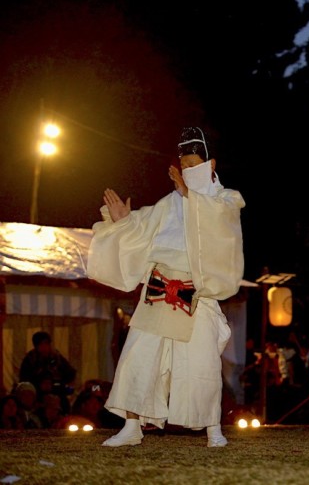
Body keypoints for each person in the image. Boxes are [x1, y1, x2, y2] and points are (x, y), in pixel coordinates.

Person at [87, 126, 245, 447]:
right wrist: (123, 221)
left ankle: (213, 428)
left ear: (210, 165)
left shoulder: (226, 200)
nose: (186, 173)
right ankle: (132, 426)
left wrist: (191, 198)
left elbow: (219, 230)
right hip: (159, 289)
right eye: (183, 166)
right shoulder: (168, 203)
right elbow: (143, 230)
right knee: (138, 355)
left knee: (201, 363)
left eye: (193, 166)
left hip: (195, 293)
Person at [18, 331, 77, 411]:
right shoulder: (30, 359)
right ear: (36, 346)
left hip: (56, 391)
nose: (44, 347)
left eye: (46, 343)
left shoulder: (56, 357)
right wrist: (38, 385)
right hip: (37, 394)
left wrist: (56, 384)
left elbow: (70, 373)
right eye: (41, 344)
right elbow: (24, 380)